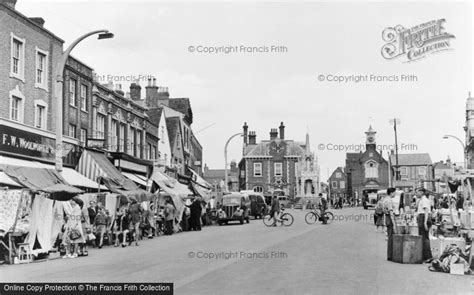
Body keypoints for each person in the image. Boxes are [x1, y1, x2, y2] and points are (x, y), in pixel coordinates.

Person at [416, 187, 433, 263]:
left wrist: (425, 222)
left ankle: (429, 257)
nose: (416, 193)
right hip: (421, 218)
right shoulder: (421, 200)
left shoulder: (425, 200)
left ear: (421, 192)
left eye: (417, 192)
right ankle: (424, 256)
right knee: (422, 238)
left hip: (423, 218)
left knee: (425, 238)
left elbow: (426, 211)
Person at [383, 187, 396, 261]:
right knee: (391, 238)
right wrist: (394, 224)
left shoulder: (385, 199)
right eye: (394, 192)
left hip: (387, 219)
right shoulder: (389, 200)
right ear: (391, 193)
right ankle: (390, 255)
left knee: (390, 237)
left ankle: (390, 255)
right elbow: (391, 213)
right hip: (390, 219)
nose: (395, 194)